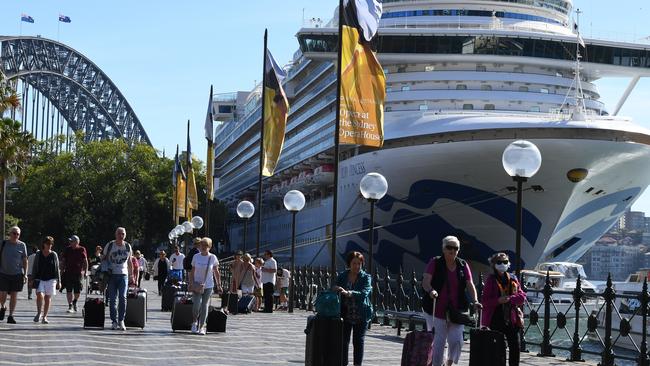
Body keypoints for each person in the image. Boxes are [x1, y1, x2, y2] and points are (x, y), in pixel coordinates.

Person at [422, 236, 482, 366]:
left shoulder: (462, 265)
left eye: (456, 248)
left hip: (457, 310)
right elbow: (426, 281)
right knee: (439, 342)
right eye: (449, 247)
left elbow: (470, 284)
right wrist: (431, 290)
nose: (452, 250)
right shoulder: (435, 262)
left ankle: (448, 363)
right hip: (436, 309)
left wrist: (475, 300)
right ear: (443, 249)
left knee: (457, 341)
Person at [481, 253, 526, 366]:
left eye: (505, 262)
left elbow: (522, 297)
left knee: (515, 347)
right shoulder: (491, 280)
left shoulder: (513, 278)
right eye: (499, 262)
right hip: (496, 318)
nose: (503, 264)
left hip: (512, 318)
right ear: (494, 264)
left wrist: (510, 299)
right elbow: (485, 302)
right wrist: (498, 301)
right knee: (499, 349)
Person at [332, 251, 372, 366]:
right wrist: (337, 288)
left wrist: (349, 293)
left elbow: (364, 293)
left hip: (361, 313)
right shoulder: (343, 275)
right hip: (345, 313)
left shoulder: (366, 277)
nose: (357, 266)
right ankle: (343, 363)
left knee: (358, 341)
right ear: (349, 263)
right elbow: (333, 285)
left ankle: (357, 364)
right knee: (344, 341)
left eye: (359, 263)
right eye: (354, 263)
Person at [102, 227, 134, 330]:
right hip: (111, 275)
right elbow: (104, 258)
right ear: (115, 234)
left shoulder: (128, 246)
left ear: (125, 235)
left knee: (123, 298)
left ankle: (121, 320)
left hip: (123, 275)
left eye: (123, 234)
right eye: (119, 234)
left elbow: (129, 262)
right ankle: (114, 321)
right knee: (112, 299)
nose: (121, 236)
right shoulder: (110, 245)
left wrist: (131, 275)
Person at [189, 237, 222, 335]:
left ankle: (202, 326)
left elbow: (216, 271)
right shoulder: (196, 256)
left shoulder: (213, 257)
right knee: (196, 304)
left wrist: (219, 285)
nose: (204, 247)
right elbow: (192, 271)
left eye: (206, 245)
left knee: (204, 305)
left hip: (208, 284)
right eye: (202, 245)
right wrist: (191, 283)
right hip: (197, 284)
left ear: (210, 247)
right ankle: (194, 322)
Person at [0, 226, 28, 324]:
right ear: (10, 233)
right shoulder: (3, 243)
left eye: (18, 234)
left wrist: (25, 274)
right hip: (3, 273)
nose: (16, 235)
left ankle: (11, 315)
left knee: (14, 295)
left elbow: (25, 260)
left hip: (17, 274)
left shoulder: (22, 245)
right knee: (2, 295)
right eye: (14, 233)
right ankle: (3, 307)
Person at [31, 236, 61, 324]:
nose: (49, 245)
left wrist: (59, 281)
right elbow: (34, 267)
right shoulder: (38, 254)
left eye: (51, 244)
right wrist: (32, 279)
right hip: (40, 278)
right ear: (44, 244)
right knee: (40, 295)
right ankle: (39, 312)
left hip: (51, 279)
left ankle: (45, 317)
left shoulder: (54, 254)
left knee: (48, 297)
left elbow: (57, 268)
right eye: (48, 244)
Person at [61, 235, 88, 313]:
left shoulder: (82, 249)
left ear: (76, 242)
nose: (70, 242)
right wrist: (61, 271)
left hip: (78, 273)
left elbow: (85, 261)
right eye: (70, 241)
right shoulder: (67, 249)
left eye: (72, 241)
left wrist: (85, 271)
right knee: (68, 290)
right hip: (68, 272)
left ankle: (75, 301)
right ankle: (70, 306)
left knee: (77, 290)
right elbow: (63, 260)